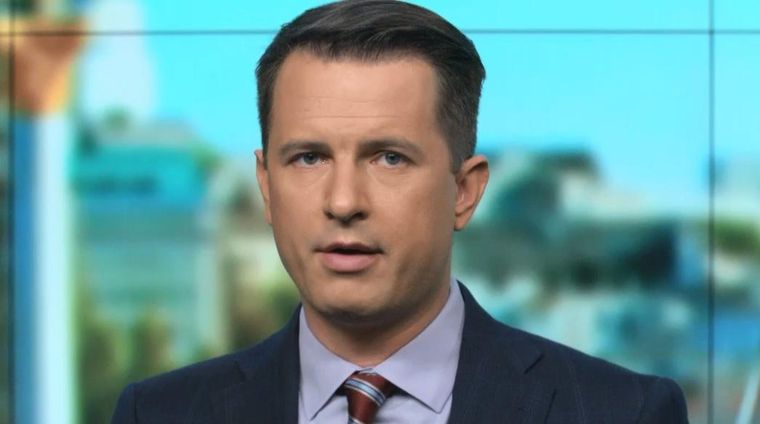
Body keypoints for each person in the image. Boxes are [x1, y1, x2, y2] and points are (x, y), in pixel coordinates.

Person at [111, 1, 689, 422]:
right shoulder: (158, 414)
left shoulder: (622, 412)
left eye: (389, 158)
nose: (343, 202)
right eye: (309, 158)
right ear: (266, 185)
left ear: (464, 191)